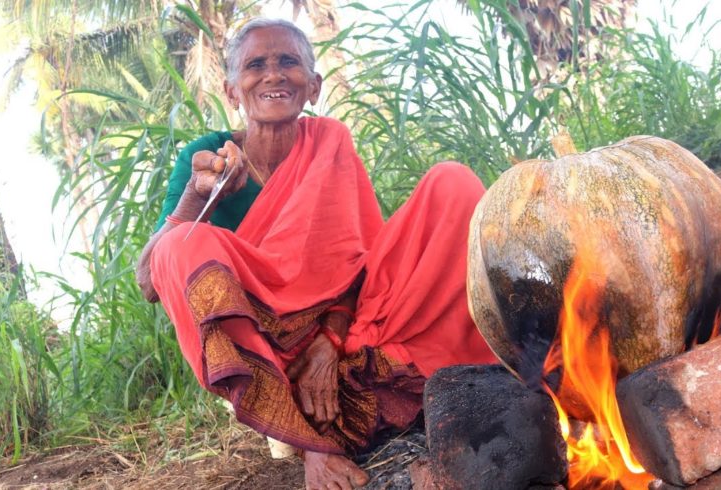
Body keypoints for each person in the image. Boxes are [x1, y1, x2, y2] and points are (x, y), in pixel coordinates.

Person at [136, 18, 497, 490]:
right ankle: (305, 437)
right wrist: (200, 199)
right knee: (183, 245)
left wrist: (329, 340)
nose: (273, 75)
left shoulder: (330, 142)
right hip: (267, 342)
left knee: (452, 185)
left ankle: (494, 357)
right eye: (255, 65)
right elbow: (149, 280)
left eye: (288, 62)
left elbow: (359, 265)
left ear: (313, 86)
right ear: (230, 90)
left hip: (346, 328)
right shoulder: (207, 155)